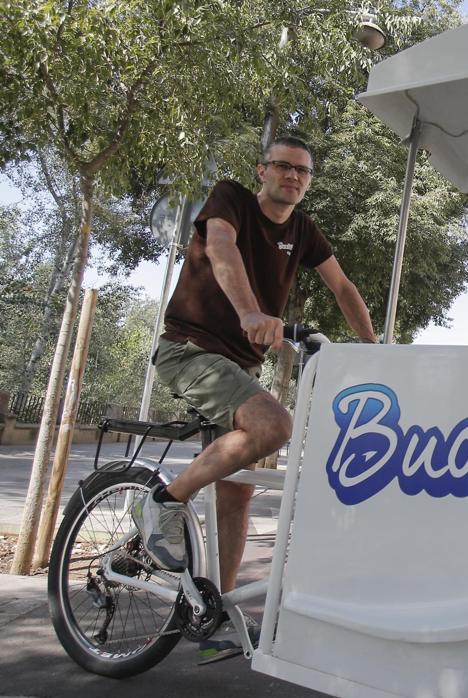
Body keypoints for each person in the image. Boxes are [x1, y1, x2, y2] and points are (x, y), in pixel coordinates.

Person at [132, 136, 378, 663]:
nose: (293, 177)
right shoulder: (231, 200)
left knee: (237, 492)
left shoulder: (303, 230)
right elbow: (221, 249)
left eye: (303, 172)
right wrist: (248, 312)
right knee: (274, 426)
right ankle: (160, 503)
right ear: (262, 170)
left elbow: (343, 286)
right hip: (190, 349)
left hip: (238, 364)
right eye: (284, 167)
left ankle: (211, 614)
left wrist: (376, 352)